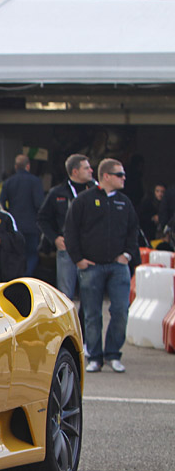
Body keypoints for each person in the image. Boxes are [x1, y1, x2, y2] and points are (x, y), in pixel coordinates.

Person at [64, 158, 139, 374]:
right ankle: (94, 356)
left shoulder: (125, 202)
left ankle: (114, 354)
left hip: (118, 267)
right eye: (119, 175)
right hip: (91, 267)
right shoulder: (84, 200)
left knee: (120, 310)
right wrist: (78, 259)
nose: (124, 178)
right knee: (91, 314)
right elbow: (71, 231)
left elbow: (134, 230)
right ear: (106, 176)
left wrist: (127, 254)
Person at [36, 153, 95, 304]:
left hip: (90, 249)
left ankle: (85, 327)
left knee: (90, 295)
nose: (91, 171)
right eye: (86, 168)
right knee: (66, 295)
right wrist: (54, 238)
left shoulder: (96, 191)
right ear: (75, 171)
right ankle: (67, 326)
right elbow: (42, 218)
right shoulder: (58, 192)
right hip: (67, 248)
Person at [0, 154, 45, 276]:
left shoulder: (8, 183)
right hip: (31, 225)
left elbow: (0, 203)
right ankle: (26, 277)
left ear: (15, 167)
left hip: (14, 225)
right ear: (28, 166)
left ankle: (17, 277)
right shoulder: (35, 182)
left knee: (16, 254)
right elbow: (39, 203)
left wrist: (9, 214)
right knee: (32, 254)